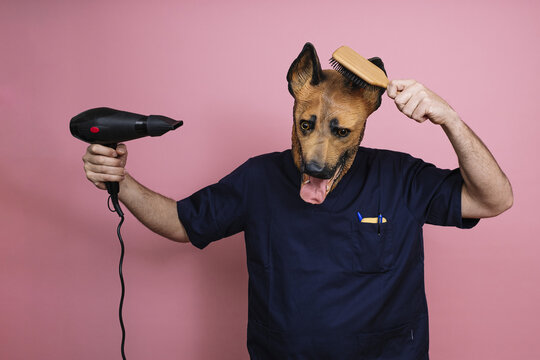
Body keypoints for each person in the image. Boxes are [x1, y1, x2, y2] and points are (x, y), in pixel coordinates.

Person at [82, 79, 513, 359]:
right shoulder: (258, 177)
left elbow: (494, 200)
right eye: (307, 127)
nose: (316, 157)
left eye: (340, 132)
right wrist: (123, 181)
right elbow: (180, 222)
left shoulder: (402, 177)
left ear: (365, 121)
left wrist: (449, 120)